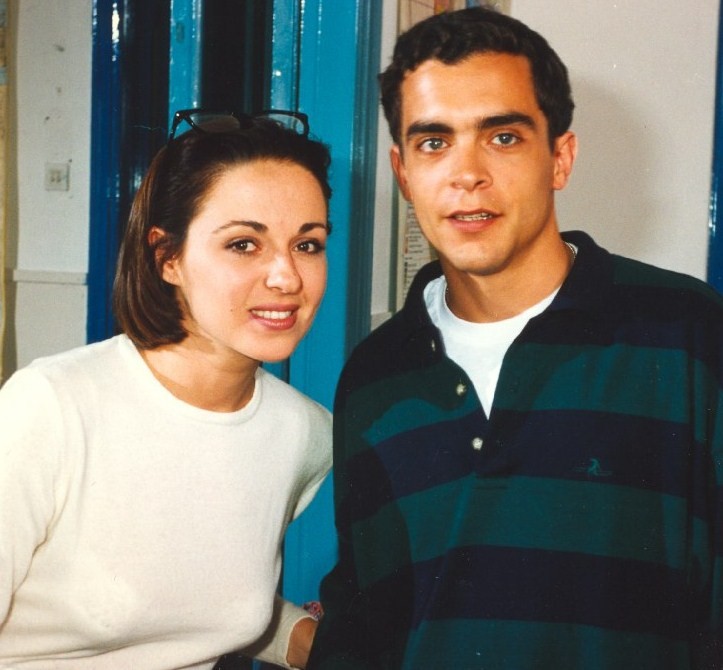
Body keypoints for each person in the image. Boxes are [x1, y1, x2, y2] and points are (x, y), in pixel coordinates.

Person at [308, 7, 723, 669]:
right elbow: (364, 620)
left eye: (502, 137)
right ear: (402, 172)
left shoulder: (688, 333)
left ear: (560, 157)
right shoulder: (375, 375)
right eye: (433, 142)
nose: (466, 173)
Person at [0, 109, 333, 669]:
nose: (286, 277)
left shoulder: (305, 433)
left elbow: (201, 608)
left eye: (308, 244)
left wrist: (327, 650)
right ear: (167, 257)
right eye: (243, 245)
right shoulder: (50, 408)